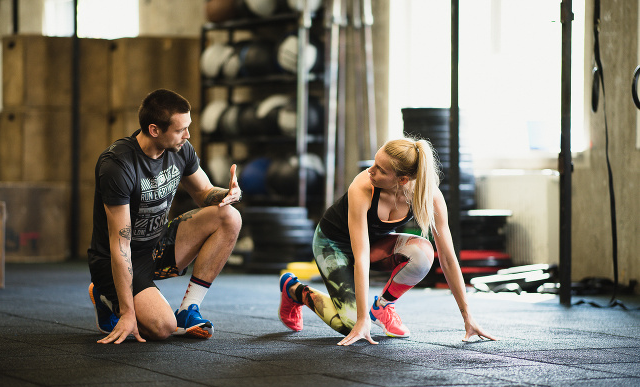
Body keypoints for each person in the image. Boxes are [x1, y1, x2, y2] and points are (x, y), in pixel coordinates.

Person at [278, 137, 497, 345]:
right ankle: (295, 290)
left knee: (423, 253)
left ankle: (382, 306)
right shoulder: (362, 186)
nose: (370, 170)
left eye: (381, 169)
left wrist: (468, 318)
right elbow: (360, 256)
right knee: (350, 324)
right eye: (374, 162)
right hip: (332, 243)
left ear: (402, 180)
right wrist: (362, 320)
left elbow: (448, 259)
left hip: (374, 243)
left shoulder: (429, 196)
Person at [87, 88, 242, 344]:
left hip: (156, 246)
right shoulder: (117, 165)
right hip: (117, 258)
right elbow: (120, 243)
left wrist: (228, 193)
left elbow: (204, 192)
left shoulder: (180, 149)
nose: (188, 135)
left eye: (188, 127)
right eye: (181, 129)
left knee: (229, 217)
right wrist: (127, 313)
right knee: (162, 328)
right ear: (154, 130)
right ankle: (107, 297)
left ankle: (188, 310)